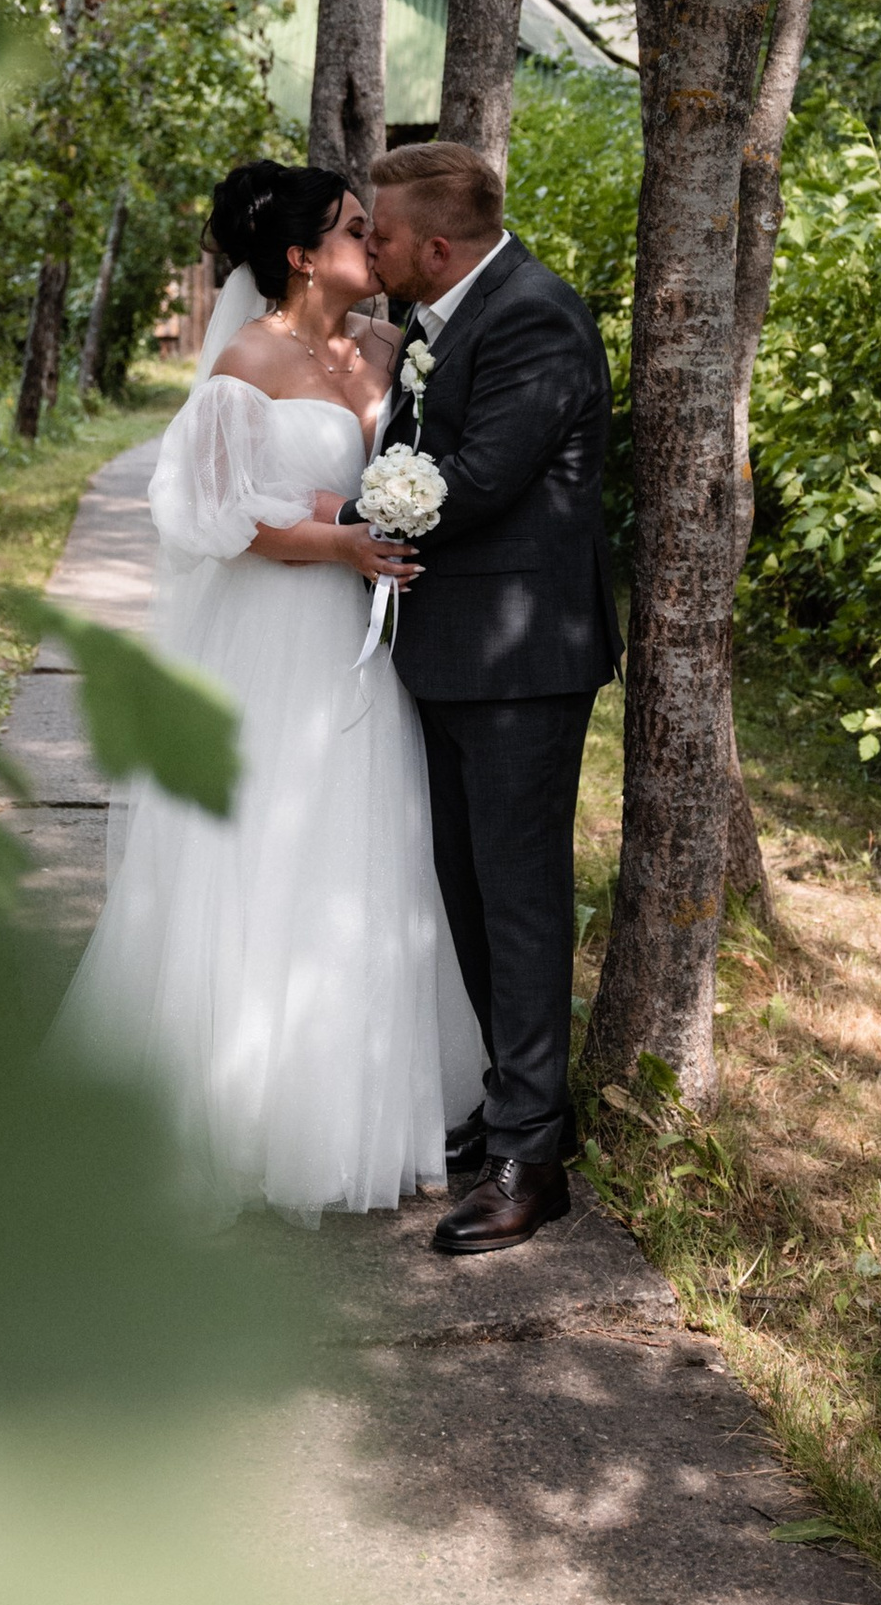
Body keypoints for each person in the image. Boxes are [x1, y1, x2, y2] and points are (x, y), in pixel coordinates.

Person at [56, 159, 482, 1219]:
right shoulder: (245, 361)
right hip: (280, 632)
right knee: (265, 849)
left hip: (370, 640)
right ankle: (244, 1110)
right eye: (351, 226)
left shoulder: (389, 347)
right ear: (301, 255)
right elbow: (209, 517)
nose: (369, 240)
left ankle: (374, 1105)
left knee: (370, 844)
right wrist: (335, 543)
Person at [361, 138, 620, 1255]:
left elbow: (471, 482)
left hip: (520, 662)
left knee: (517, 898)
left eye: (377, 236)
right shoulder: (443, 314)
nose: (367, 252)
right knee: (468, 889)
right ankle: (511, 1105)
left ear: (433, 242)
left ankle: (532, 1156)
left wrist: (339, 520)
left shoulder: (532, 316)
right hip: (455, 649)